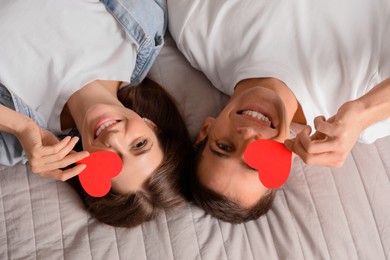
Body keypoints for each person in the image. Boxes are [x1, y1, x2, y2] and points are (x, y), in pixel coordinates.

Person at [167, 0, 390, 223]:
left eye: (224, 146)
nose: (246, 136)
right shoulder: (363, 111)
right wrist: (364, 111)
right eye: (256, 160)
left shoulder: (196, 29)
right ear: (283, 162)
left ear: (206, 129)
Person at [0, 0, 193, 227]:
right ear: (151, 125)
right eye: (139, 144)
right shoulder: (145, 30)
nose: (113, 139)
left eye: (110, 162)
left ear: (90, 171)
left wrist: (20, 126)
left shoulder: (13, 140)